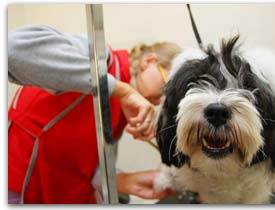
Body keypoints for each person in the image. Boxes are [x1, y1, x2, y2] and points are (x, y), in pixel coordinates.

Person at [8, 25, 181, 204]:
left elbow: (89, 168)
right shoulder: (101, 57)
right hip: (19, 183)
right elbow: (12, 48)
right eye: (166, 87)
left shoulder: (122, 111)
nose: (161, 100)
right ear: (149, 61)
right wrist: (122, 91)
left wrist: (124, 181)